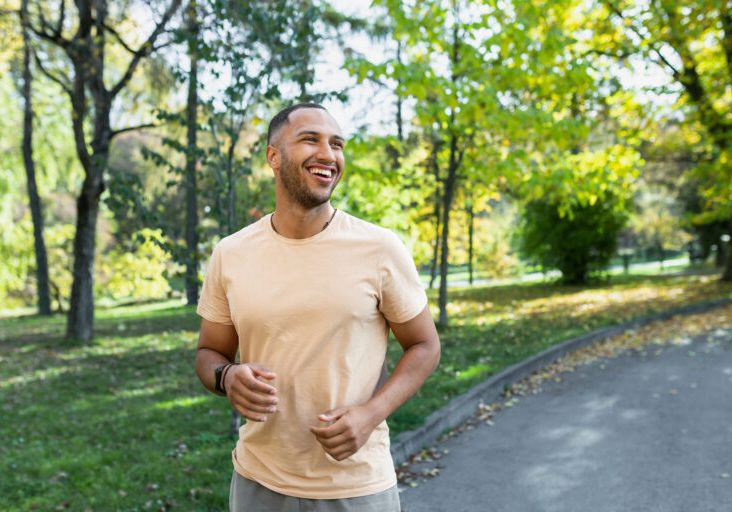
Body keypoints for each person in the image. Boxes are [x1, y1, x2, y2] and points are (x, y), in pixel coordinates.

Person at [194, 103, 441, 511]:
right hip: (258, 481)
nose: (329, 154)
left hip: (356, 485)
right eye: (310, 139)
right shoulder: (231, 253)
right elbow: (209, 353)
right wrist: (226, 376)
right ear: (273, 156)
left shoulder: (379, 248)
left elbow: (425, 346)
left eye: (337, 144)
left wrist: (369, 415)